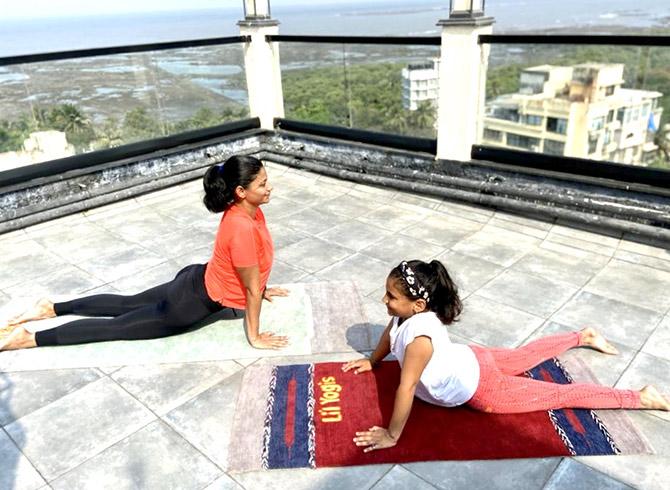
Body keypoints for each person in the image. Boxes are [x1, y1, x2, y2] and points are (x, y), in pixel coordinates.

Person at [342, 259, 670, 452]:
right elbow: (390, 330)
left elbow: (406, 387)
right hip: (471, 357)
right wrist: (372, 360)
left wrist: (392, 435)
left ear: (419, 305)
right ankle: (582, 335)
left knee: (559, 394)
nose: (384, 300)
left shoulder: (419, 340)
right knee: (525, 355)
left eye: (391, 296)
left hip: (483, 387)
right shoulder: (405, 315)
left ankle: (639, 397)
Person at [1, 155, 289, 351]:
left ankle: (50, 308)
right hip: (188, 304)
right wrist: (255, 336)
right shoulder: (242, 226)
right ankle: (27, 338)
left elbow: (247, 269)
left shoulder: (247, 212)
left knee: (127, 304)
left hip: (193, 279)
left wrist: (260, 286)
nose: (269, 187)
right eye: (262, 184)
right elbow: (249, 287)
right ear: (240, 191)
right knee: (117, 328)